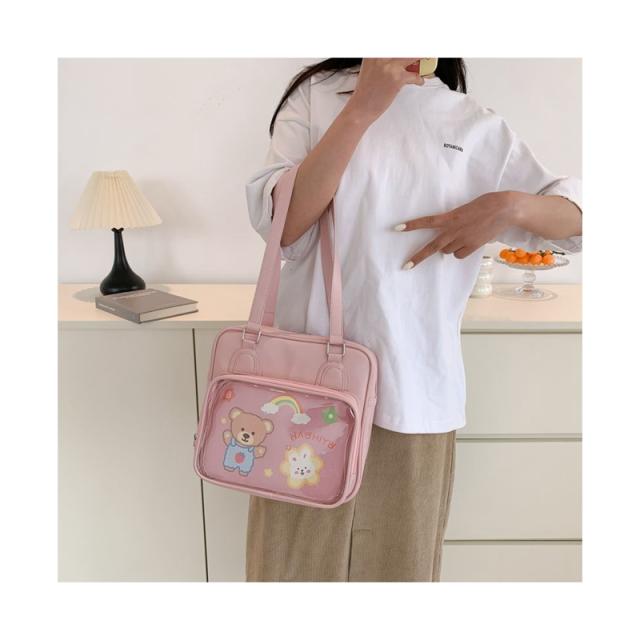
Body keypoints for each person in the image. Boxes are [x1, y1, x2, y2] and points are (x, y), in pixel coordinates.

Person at [244, 58, 582, 582]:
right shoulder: (317, 96)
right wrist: (363, 109)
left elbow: (579, 221)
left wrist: (509, 207)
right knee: (291, 572)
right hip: (307, 387)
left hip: (415, 390)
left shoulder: (473, 123)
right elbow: (281, 227)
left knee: (400, 573)